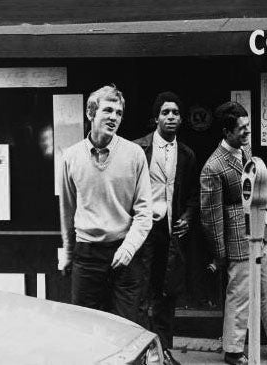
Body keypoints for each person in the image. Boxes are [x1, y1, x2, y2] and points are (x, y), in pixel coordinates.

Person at [200, 102, 267, 365]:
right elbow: (210, 216)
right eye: (242, 129)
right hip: (236, 239)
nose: (248, 132)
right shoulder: (212, 167)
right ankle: (233, 349)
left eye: (249, 126)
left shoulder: (246, 151)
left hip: (259, 232)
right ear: (226, 131)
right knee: (239, 294)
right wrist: (220, 253)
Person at [59, 85, 152, 323]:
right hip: (87, 254)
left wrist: (129, 248)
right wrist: (68, 253)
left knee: (126, 327)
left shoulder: (135, 154)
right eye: (108, 110)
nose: (114, 117)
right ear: (91, 113)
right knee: (85, 327)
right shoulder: (71, 156)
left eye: (119, 113)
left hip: (125, 253)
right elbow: (67, 211)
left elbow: (144, 213)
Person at [134, 91, 198, 365]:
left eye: (175, 113)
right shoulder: (138, 149)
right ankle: (141, 352)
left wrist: (188, 215)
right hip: (143, 229)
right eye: (165, 112)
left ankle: (165, 352)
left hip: (171, 232)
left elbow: (194, 193)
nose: (170, 117)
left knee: (167, 292)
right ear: (156, 118)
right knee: (141, 291)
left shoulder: (186, 154)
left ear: (181, 119)